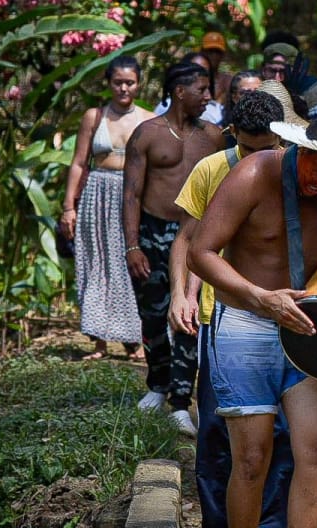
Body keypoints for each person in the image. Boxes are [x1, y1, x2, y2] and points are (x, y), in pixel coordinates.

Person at [187, 113, 317, 526]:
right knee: (251, 459)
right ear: (300, 150)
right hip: (245, 323)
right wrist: (260, 297)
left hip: (312, 326)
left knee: (316, 456)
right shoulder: (254, 173)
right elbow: (201, 252)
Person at [168, 90, 294, 527]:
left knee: (278, 436)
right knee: (218, 434)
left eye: (268, 149)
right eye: (249, 149)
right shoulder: (211, 169)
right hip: (219, 317)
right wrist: (180, 295)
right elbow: (186, 239)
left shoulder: (294, 170)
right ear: (232, 134)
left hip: (282, 317)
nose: (257, 159)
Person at [122, 62, 224, 433]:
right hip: (152, 230)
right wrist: (132, 245)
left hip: (195, 232)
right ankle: (157, 383)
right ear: (180, 91)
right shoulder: (147, 134)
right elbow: (131, 194)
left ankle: (181, 400)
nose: (208, 97)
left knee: (189, 314)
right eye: (202, 89)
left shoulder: (212, 136)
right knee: (153, 312)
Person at [61, 56, 153, 361]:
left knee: (132, 264)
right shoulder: (94, 116)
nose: (124, 88)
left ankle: (137, 340)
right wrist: (68, 207)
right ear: (109, 83)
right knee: (97, 263)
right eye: (118, 82)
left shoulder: (148, 119)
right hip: (96, 194)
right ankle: (99, 341)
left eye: (130, 82)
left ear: (139, 83)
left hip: (133, 196)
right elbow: (78, 163)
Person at [200, 31, 232, 104]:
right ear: (202, 52)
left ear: (223, 55)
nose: (213, 55)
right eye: (210, 51)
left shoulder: (228, 81)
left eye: (217, 52)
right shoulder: (193, 80)